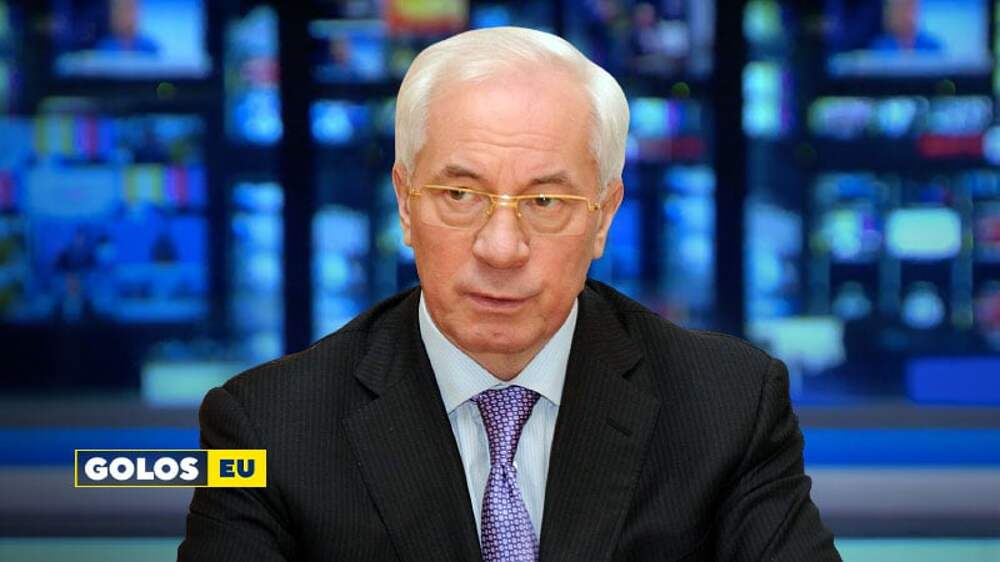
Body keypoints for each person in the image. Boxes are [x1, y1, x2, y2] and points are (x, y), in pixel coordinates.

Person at [179, 27, 841, 561]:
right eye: (459, 195)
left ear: (604, 216)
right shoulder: (264, 429)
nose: (501, 248)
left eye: (545, 201)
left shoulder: (730, 407)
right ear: (405, 203)